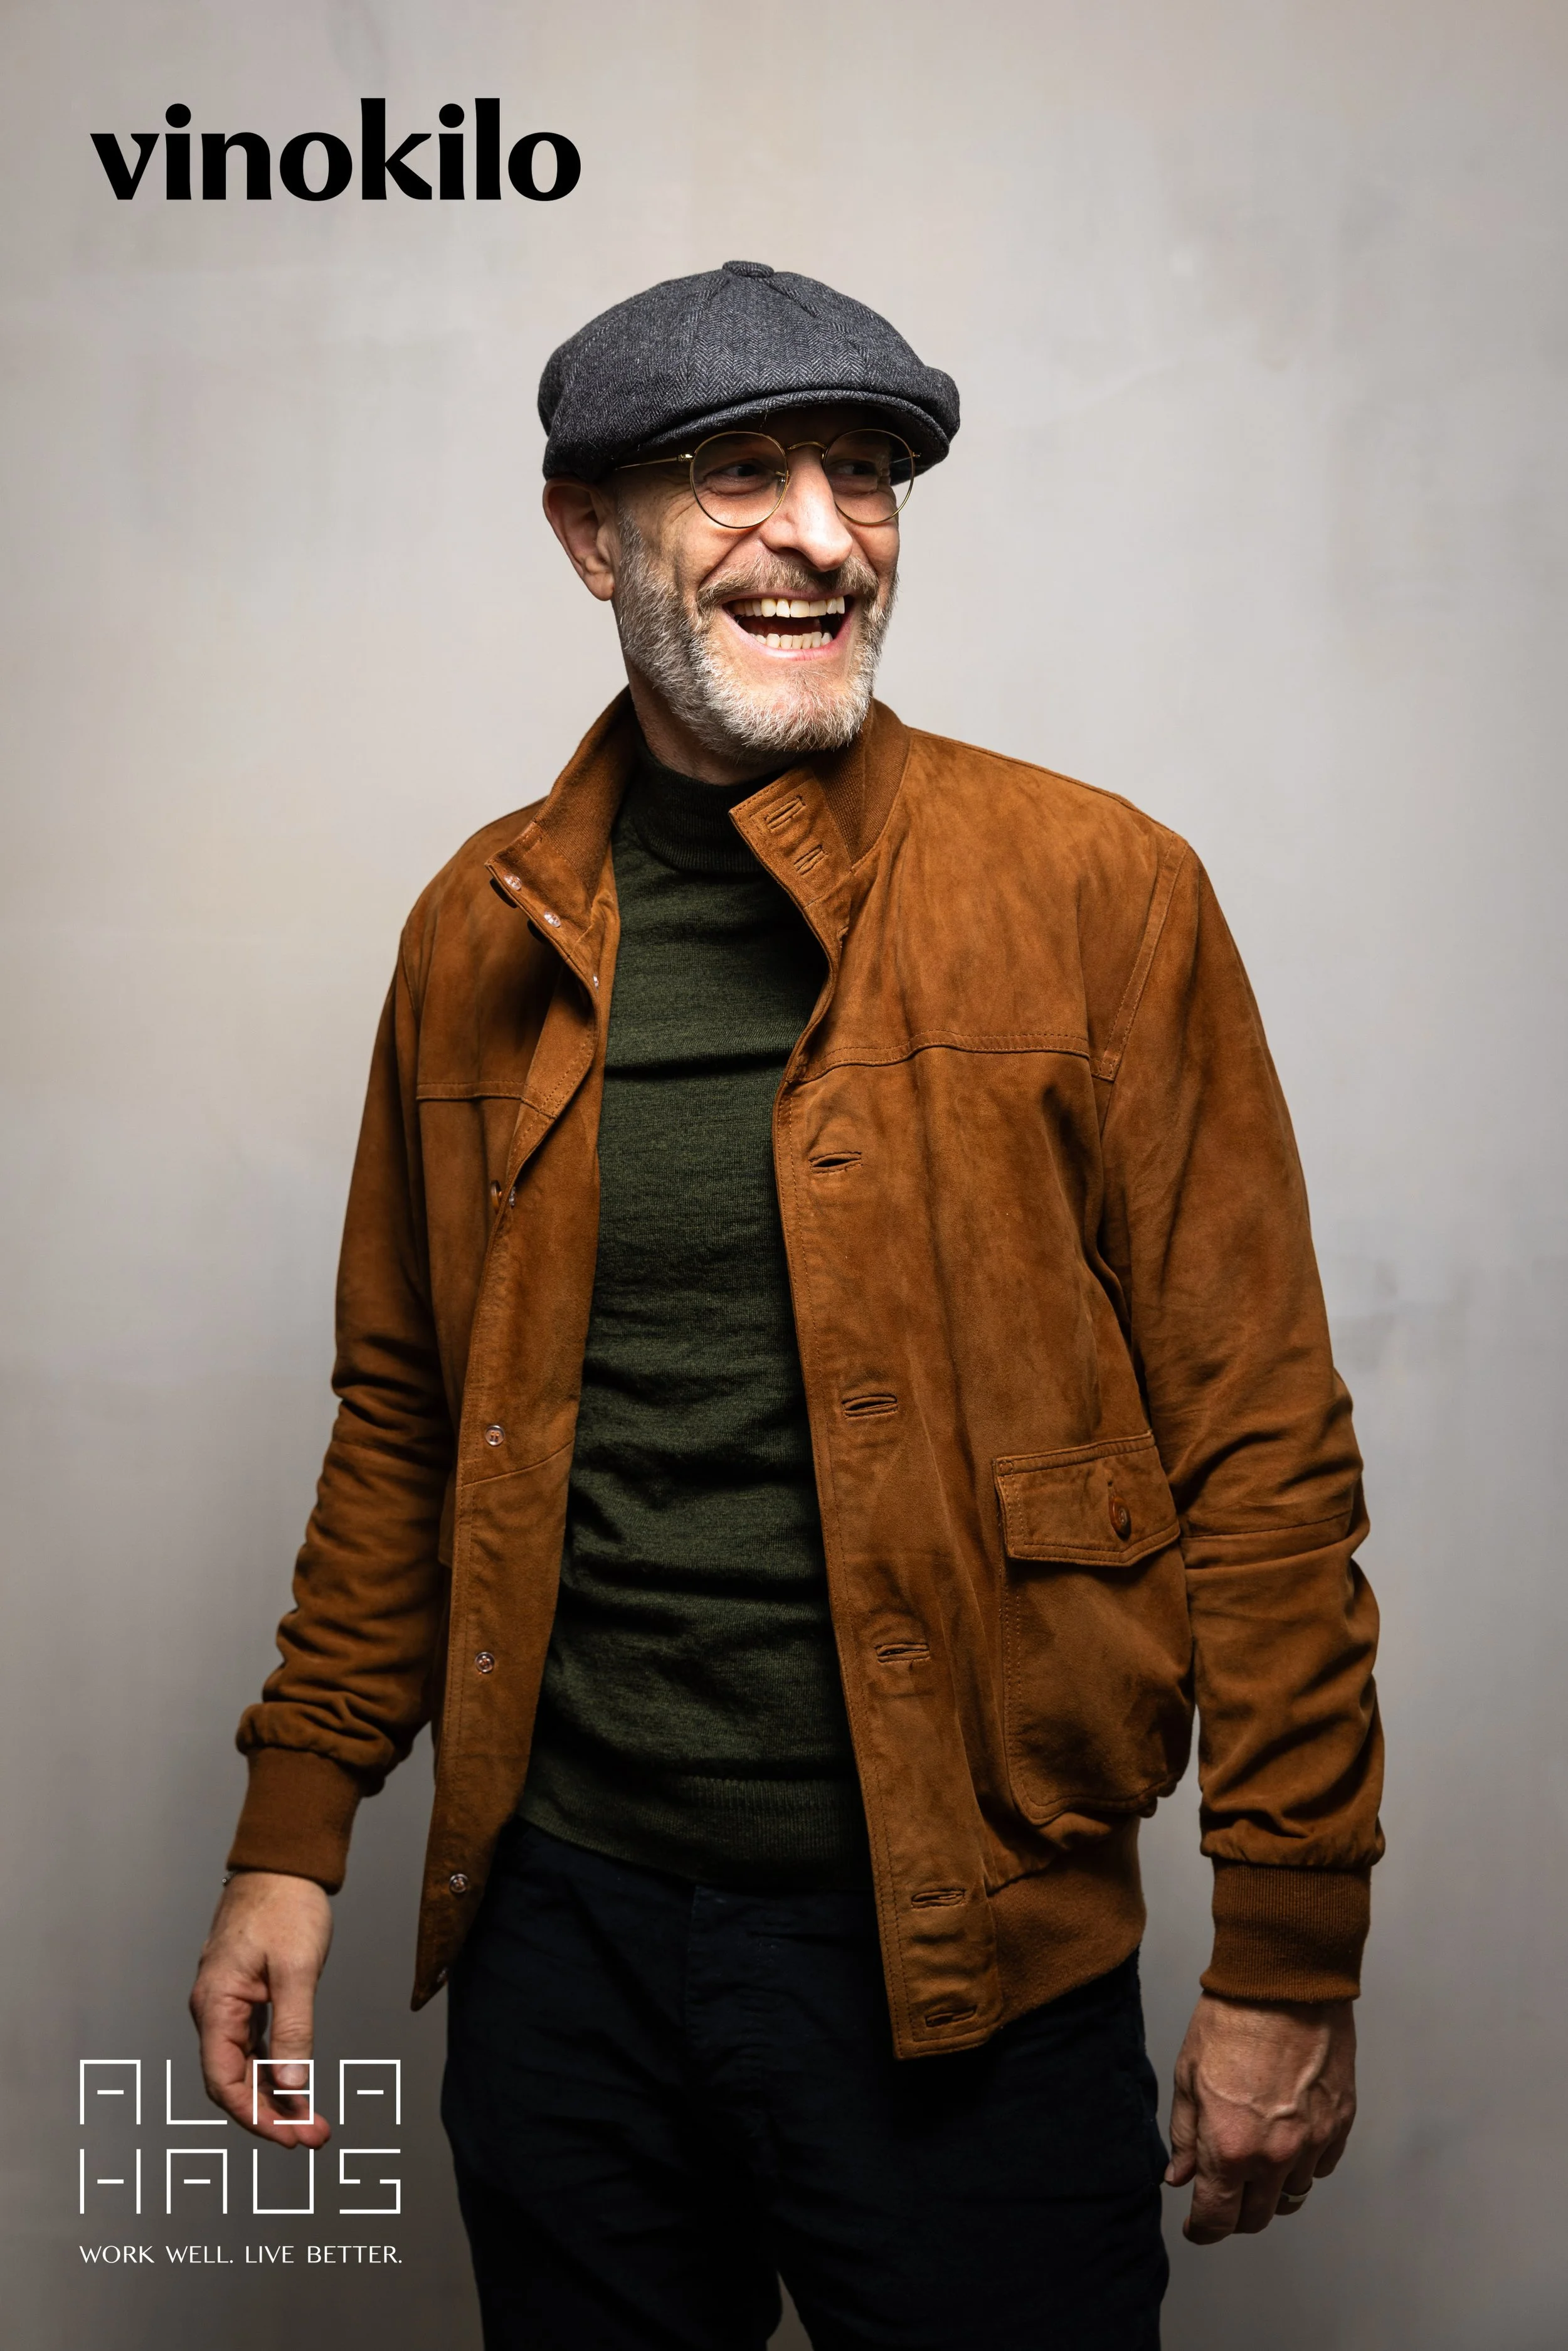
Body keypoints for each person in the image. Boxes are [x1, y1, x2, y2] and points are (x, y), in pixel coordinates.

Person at [190, 260, 1383, 2349]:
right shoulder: (477, 927)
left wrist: (1287, 1946)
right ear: (590, 535)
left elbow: (1260, 1444)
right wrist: (294, 1833)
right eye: (740, 474)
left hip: (967, 1955)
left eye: (866, 475)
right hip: (558, 1950)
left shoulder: (1096, 889)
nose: (823, 535)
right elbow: (405, 1411)